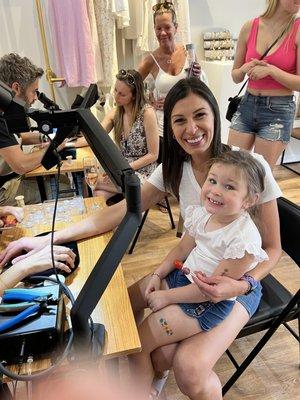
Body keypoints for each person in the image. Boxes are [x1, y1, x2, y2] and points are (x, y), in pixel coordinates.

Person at [0, 78, 282, 400]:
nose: (191, 128)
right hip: (191, 272)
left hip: (239, 283)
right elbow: (118, 213)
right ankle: (147, 380)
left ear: (215, 117)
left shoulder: (250, 168)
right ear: (170, 126)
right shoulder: (174, 168)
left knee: (187, 369)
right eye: (179, 120)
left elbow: (273, 249)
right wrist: (49, 240)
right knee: (122, 308)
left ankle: (150, 378)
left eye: (200, 115)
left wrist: (241, 285)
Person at [127, 149, 268, 397]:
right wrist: (158, 274)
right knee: (133, 324)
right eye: (212, 181)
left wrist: (167, 297)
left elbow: (209, 291)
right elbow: (182, 247)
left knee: (137, 345)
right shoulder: (204, 213)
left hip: (204, 303)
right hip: (185, 280)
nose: (215, 190)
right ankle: (152, 382)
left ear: (249, 201)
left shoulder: (243, 241)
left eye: (229, 187)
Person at [228, 0, 300, 169]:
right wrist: (244, 68)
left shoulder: (297, 30)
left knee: (260, 177)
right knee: (231, 169)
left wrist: (271, 71)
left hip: (278, 112)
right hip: (247, 104)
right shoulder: (249, 27)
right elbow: (236, 76)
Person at [0, 53, 68, 206]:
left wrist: (45, 138)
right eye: (34, 91)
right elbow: (21, 165)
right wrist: (54, 146)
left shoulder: (5, 109)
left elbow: (18, 136)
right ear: (16, 88)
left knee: (61, 179)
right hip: (3, 192)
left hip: (11, 179)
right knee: (61, 187)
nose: (36, 98)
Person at [138, 1, 203, 136]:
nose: (162, 33)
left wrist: (199, 74)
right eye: (158, 28)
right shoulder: (150, 60)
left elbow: (198, 88)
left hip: (189, 125)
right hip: (163, 127)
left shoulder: (188, 53)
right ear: (154, 29)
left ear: (176, 27)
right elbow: (131, 86)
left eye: (167, 27)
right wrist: (149, 101)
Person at [94, 69, 159, 200]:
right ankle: (122, 219)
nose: (116, 97)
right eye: (115, 90)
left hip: (144, 172)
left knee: (95, 183)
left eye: (122, 94)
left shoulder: (147, 114)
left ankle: (126, 217)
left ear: (134, 96)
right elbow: (95, 135)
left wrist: (124, 169)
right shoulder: (116, 114)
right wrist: (67, 142)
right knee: (98, 194)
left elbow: (153, 155)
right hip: (123, 171)